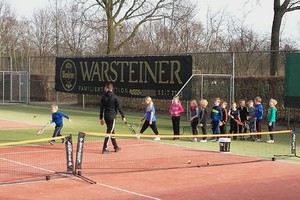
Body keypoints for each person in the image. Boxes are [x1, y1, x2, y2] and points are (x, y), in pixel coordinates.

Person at [99, 83, 126, 154]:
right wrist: (123, 116)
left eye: (105, 88)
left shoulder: (103, 97)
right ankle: (105, 148)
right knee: (109, 132)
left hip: (106, 117)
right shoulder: (115, 97)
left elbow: (101, 109)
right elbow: (119, 107)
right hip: (112, 117)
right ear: (112, 88)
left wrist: (101, 118)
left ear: (107, 88)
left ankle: (116, 147)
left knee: (111, 131)